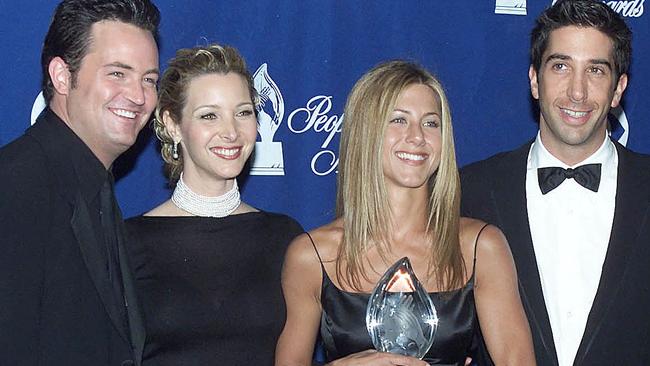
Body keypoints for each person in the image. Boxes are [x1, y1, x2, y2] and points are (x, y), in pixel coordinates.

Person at [276, 60, 535, 366]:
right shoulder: (311, 255)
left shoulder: (480, 246)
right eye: (398, 120)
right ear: (365, 131)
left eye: (431, 123)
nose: (417, 137)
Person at [460, 1, 650, 365]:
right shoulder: (471, 192)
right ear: (534, 79)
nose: (577, 92)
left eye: (595, 70)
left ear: (618, 89)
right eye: (560, 66)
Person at [0, 1, 159, 365]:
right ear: (62, 76)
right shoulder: (14, 185)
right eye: (118, 73)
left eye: (149, 79)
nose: (138, 96)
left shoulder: (96, 188)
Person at [124, 44, 303, 365]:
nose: (231, 131)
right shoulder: (127, 241)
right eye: (209, 115)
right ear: (172, 124)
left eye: (243, 112)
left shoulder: (285, 237)